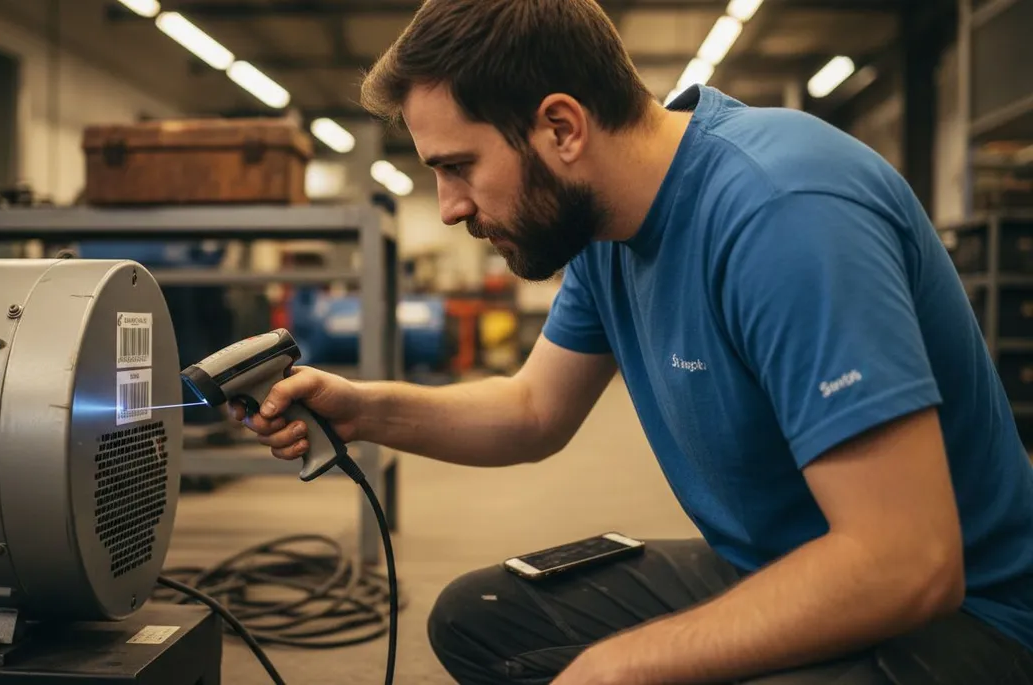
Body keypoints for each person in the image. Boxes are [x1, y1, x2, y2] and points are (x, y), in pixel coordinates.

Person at [233, 0, 1033, 682]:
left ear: (561, 127)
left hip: (969, 622)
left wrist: (628, 662)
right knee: (478, 617)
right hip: (776, 559)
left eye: (459, 167)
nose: (448, 207)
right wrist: (362, 408)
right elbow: (532, 410)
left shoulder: (783, 213)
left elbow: (908, 561)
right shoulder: (606, 230)